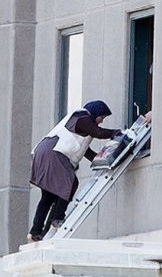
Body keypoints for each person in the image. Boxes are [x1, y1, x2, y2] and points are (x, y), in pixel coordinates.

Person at [28, 100, 121, 242]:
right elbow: (98, 132)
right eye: (102, 117)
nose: (101, 121)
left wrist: (100, 160)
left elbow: (85, 151)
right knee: (70, 182)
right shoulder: (82, 117)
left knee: (48, 197)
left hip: (44, 152)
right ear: (95, 112)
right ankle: (58, 218)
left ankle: (36, 231)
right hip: (53, 152)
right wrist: (118, 133)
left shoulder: (81, 124)